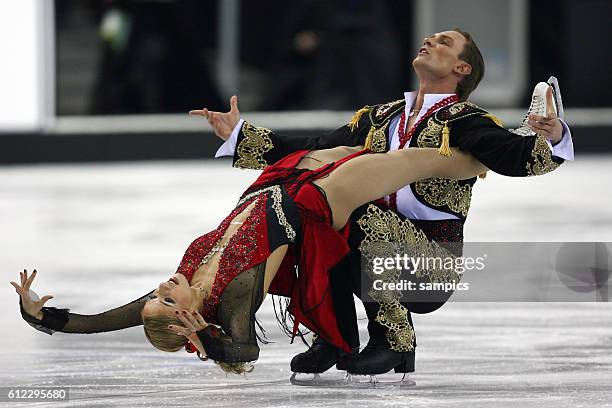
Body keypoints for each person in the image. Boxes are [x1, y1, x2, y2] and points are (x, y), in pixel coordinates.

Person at [196, 28, 575, 375]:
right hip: (371, 246)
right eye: (431, 38)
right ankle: (336, 339)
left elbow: (514, 155)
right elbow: (312, 151)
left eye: (444, 42)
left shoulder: (465, 121)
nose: (430, 41)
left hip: (430, 267)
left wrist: (552, 135)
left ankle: (394, 340)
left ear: (462, 67)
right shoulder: (382, 117)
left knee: (354, 212)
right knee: (317, 211)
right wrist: (239, 135)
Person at [12, 141, 487, 374]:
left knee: (354, 145)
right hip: (315, 202)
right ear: (190, 315)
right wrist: (214, 344)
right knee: (412, 163)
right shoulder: (235, 296)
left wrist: (37, 314)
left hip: (273, 189)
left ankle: (482, 154)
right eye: (163, 299)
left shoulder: (184, 282)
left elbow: (96, 322)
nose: (157, 289)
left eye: (152, 297)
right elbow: (246, 350)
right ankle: (512, 151)